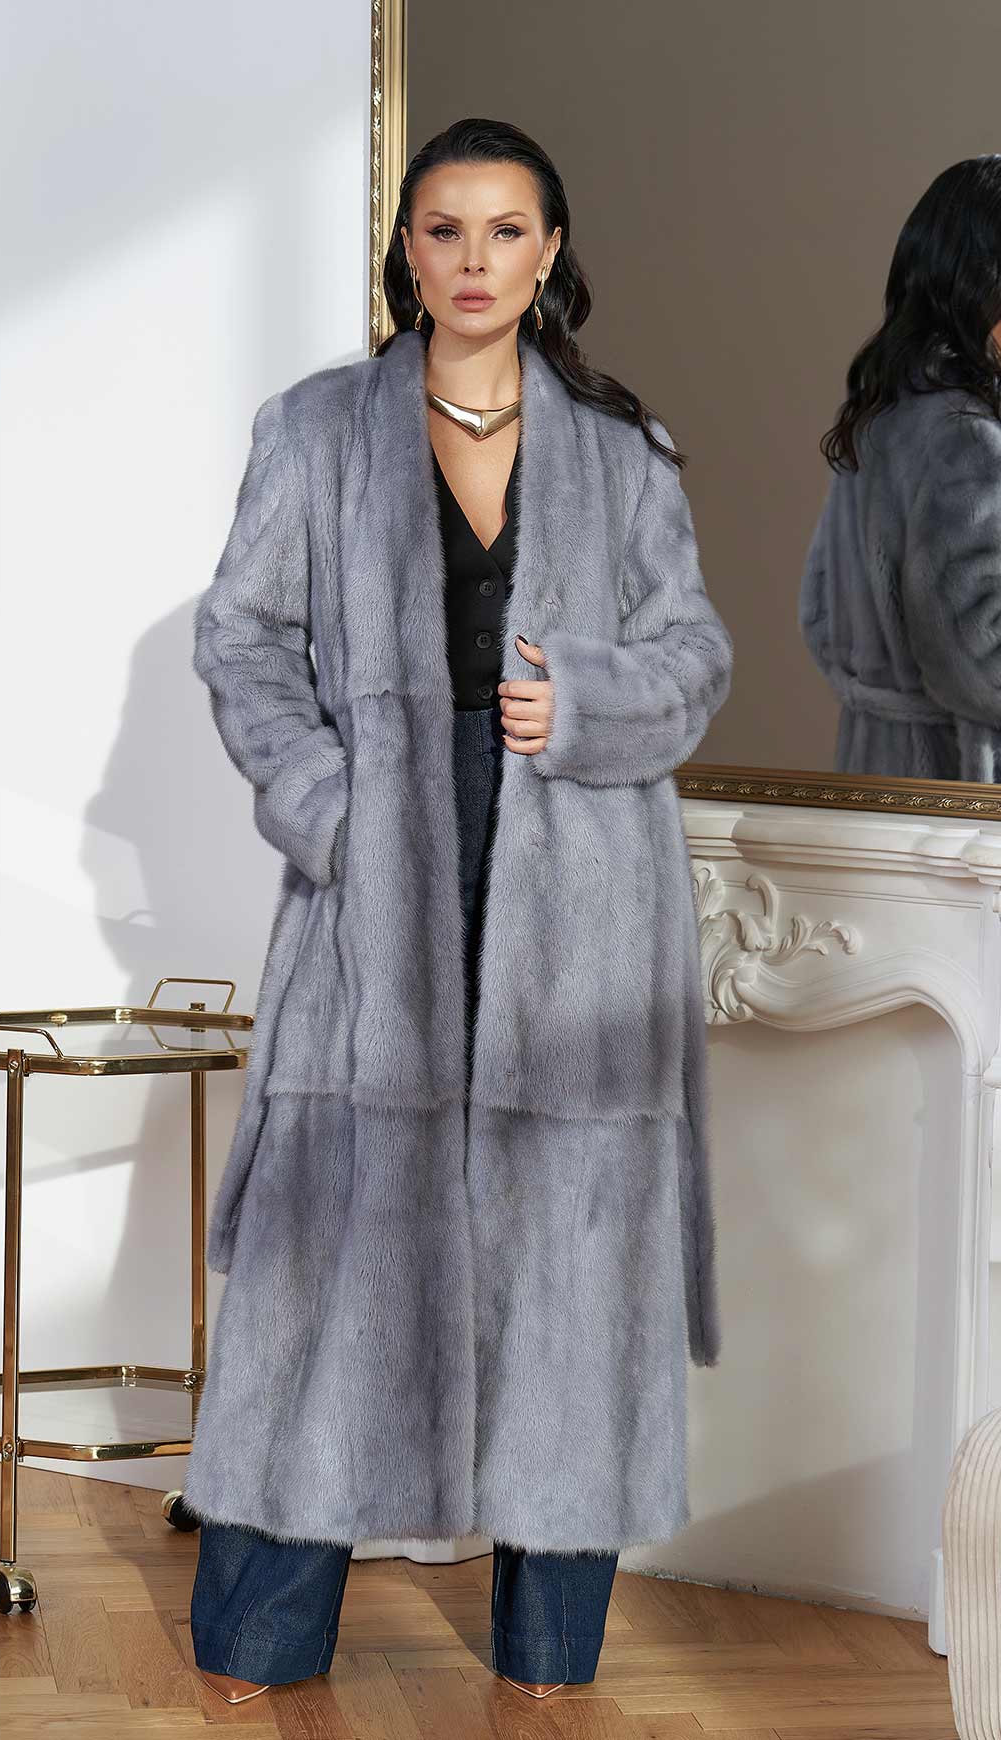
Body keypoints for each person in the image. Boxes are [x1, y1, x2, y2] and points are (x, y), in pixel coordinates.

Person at [184, 117, 734, 1708]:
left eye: (506, 230)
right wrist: (329, 805)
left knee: (572, 1281)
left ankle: (549, 1653)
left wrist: (592, 703)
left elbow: (694, 654)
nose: (475, 260)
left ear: (551, 251)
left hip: (583, 900)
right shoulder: (315, 433)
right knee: (329, 1270)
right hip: (384, 883)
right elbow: (242, 643)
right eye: (446, 229)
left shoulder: (625, 453)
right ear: (407, 252)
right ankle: (262, 1635)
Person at [799, 154, 1001, 783]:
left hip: (878, 777)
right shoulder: (965, 438)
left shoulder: (881, 416)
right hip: (961, 796)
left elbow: (820, 616)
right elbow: (979, 658)